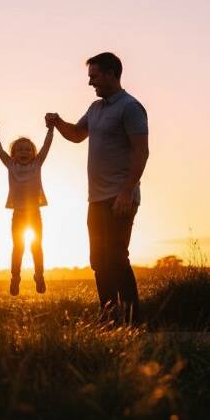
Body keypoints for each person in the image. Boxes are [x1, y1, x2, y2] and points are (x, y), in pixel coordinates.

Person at [46, 52, 149, 323]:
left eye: (95, 76)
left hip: (121, 196)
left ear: (112, 74)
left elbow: (142, 152)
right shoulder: (95, 109)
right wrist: (58, 123)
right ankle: (109, 317)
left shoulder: (130, 107)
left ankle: (132, 320)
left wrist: (128, 190)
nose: (91, 83)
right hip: (97, 199)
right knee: (99, 261)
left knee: (116, 257)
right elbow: (77, 135)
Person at [0, 121, 54, 295]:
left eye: (27, 149)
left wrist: (51, 128)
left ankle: (39, 276)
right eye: (20, 150)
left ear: (34, 153)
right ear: (13, 154)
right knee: (18, 247)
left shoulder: (37, 164)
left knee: (36, 246)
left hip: (35, 214)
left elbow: (47, 146)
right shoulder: (11, 165)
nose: (24, 152)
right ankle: (15, 277)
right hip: (18, 214)